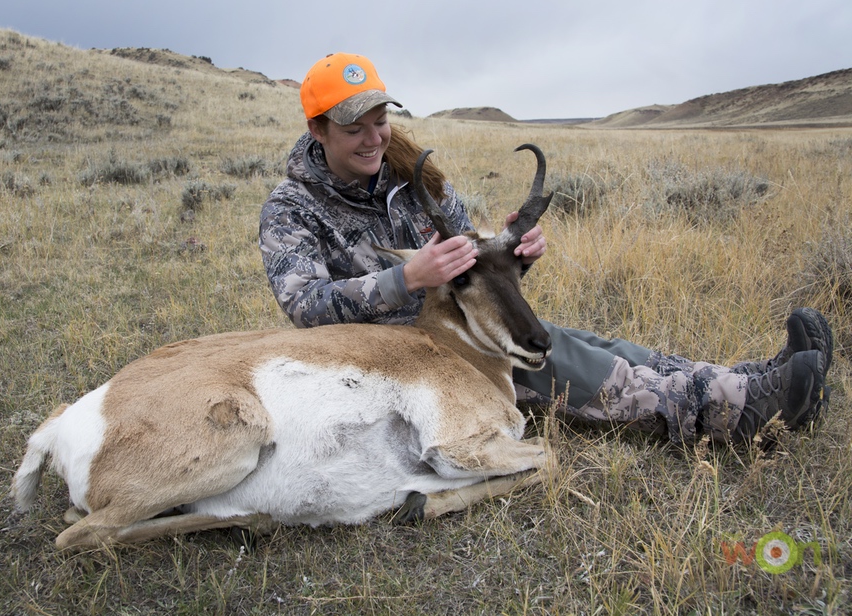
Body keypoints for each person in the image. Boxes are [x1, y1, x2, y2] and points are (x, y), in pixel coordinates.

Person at [259, 53, 833, 446]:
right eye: (355, 127)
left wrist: (515, 252)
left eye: (380, 121)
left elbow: (477, 260)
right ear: (318, 130)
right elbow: (304, 307)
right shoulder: (291, 210)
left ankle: (748, 374)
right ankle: (747, 407)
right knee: (572, 368)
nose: (373, 138)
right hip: (400, 357)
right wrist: (404, 278)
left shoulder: (415, 178)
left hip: (470, 325)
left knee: (592, 344)